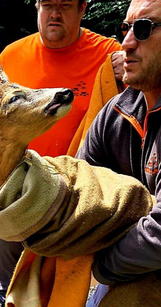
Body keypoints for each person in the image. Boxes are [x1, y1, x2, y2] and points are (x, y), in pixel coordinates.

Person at [0, 0, 123, 304]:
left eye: (65, 5)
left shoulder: (109, 54)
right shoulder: (12, 54)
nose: (55, 13)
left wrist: (126, 69)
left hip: (75, 194)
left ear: (82, 9)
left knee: (66, 273)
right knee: (12, 271)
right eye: (48, 4)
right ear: (37, 6)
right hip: (16, 187)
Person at [76, 0, 161, 305]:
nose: (125, 43)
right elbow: (79, 187)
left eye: (143, 29)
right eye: (126, 28)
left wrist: (99, 265)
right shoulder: (116, 113)